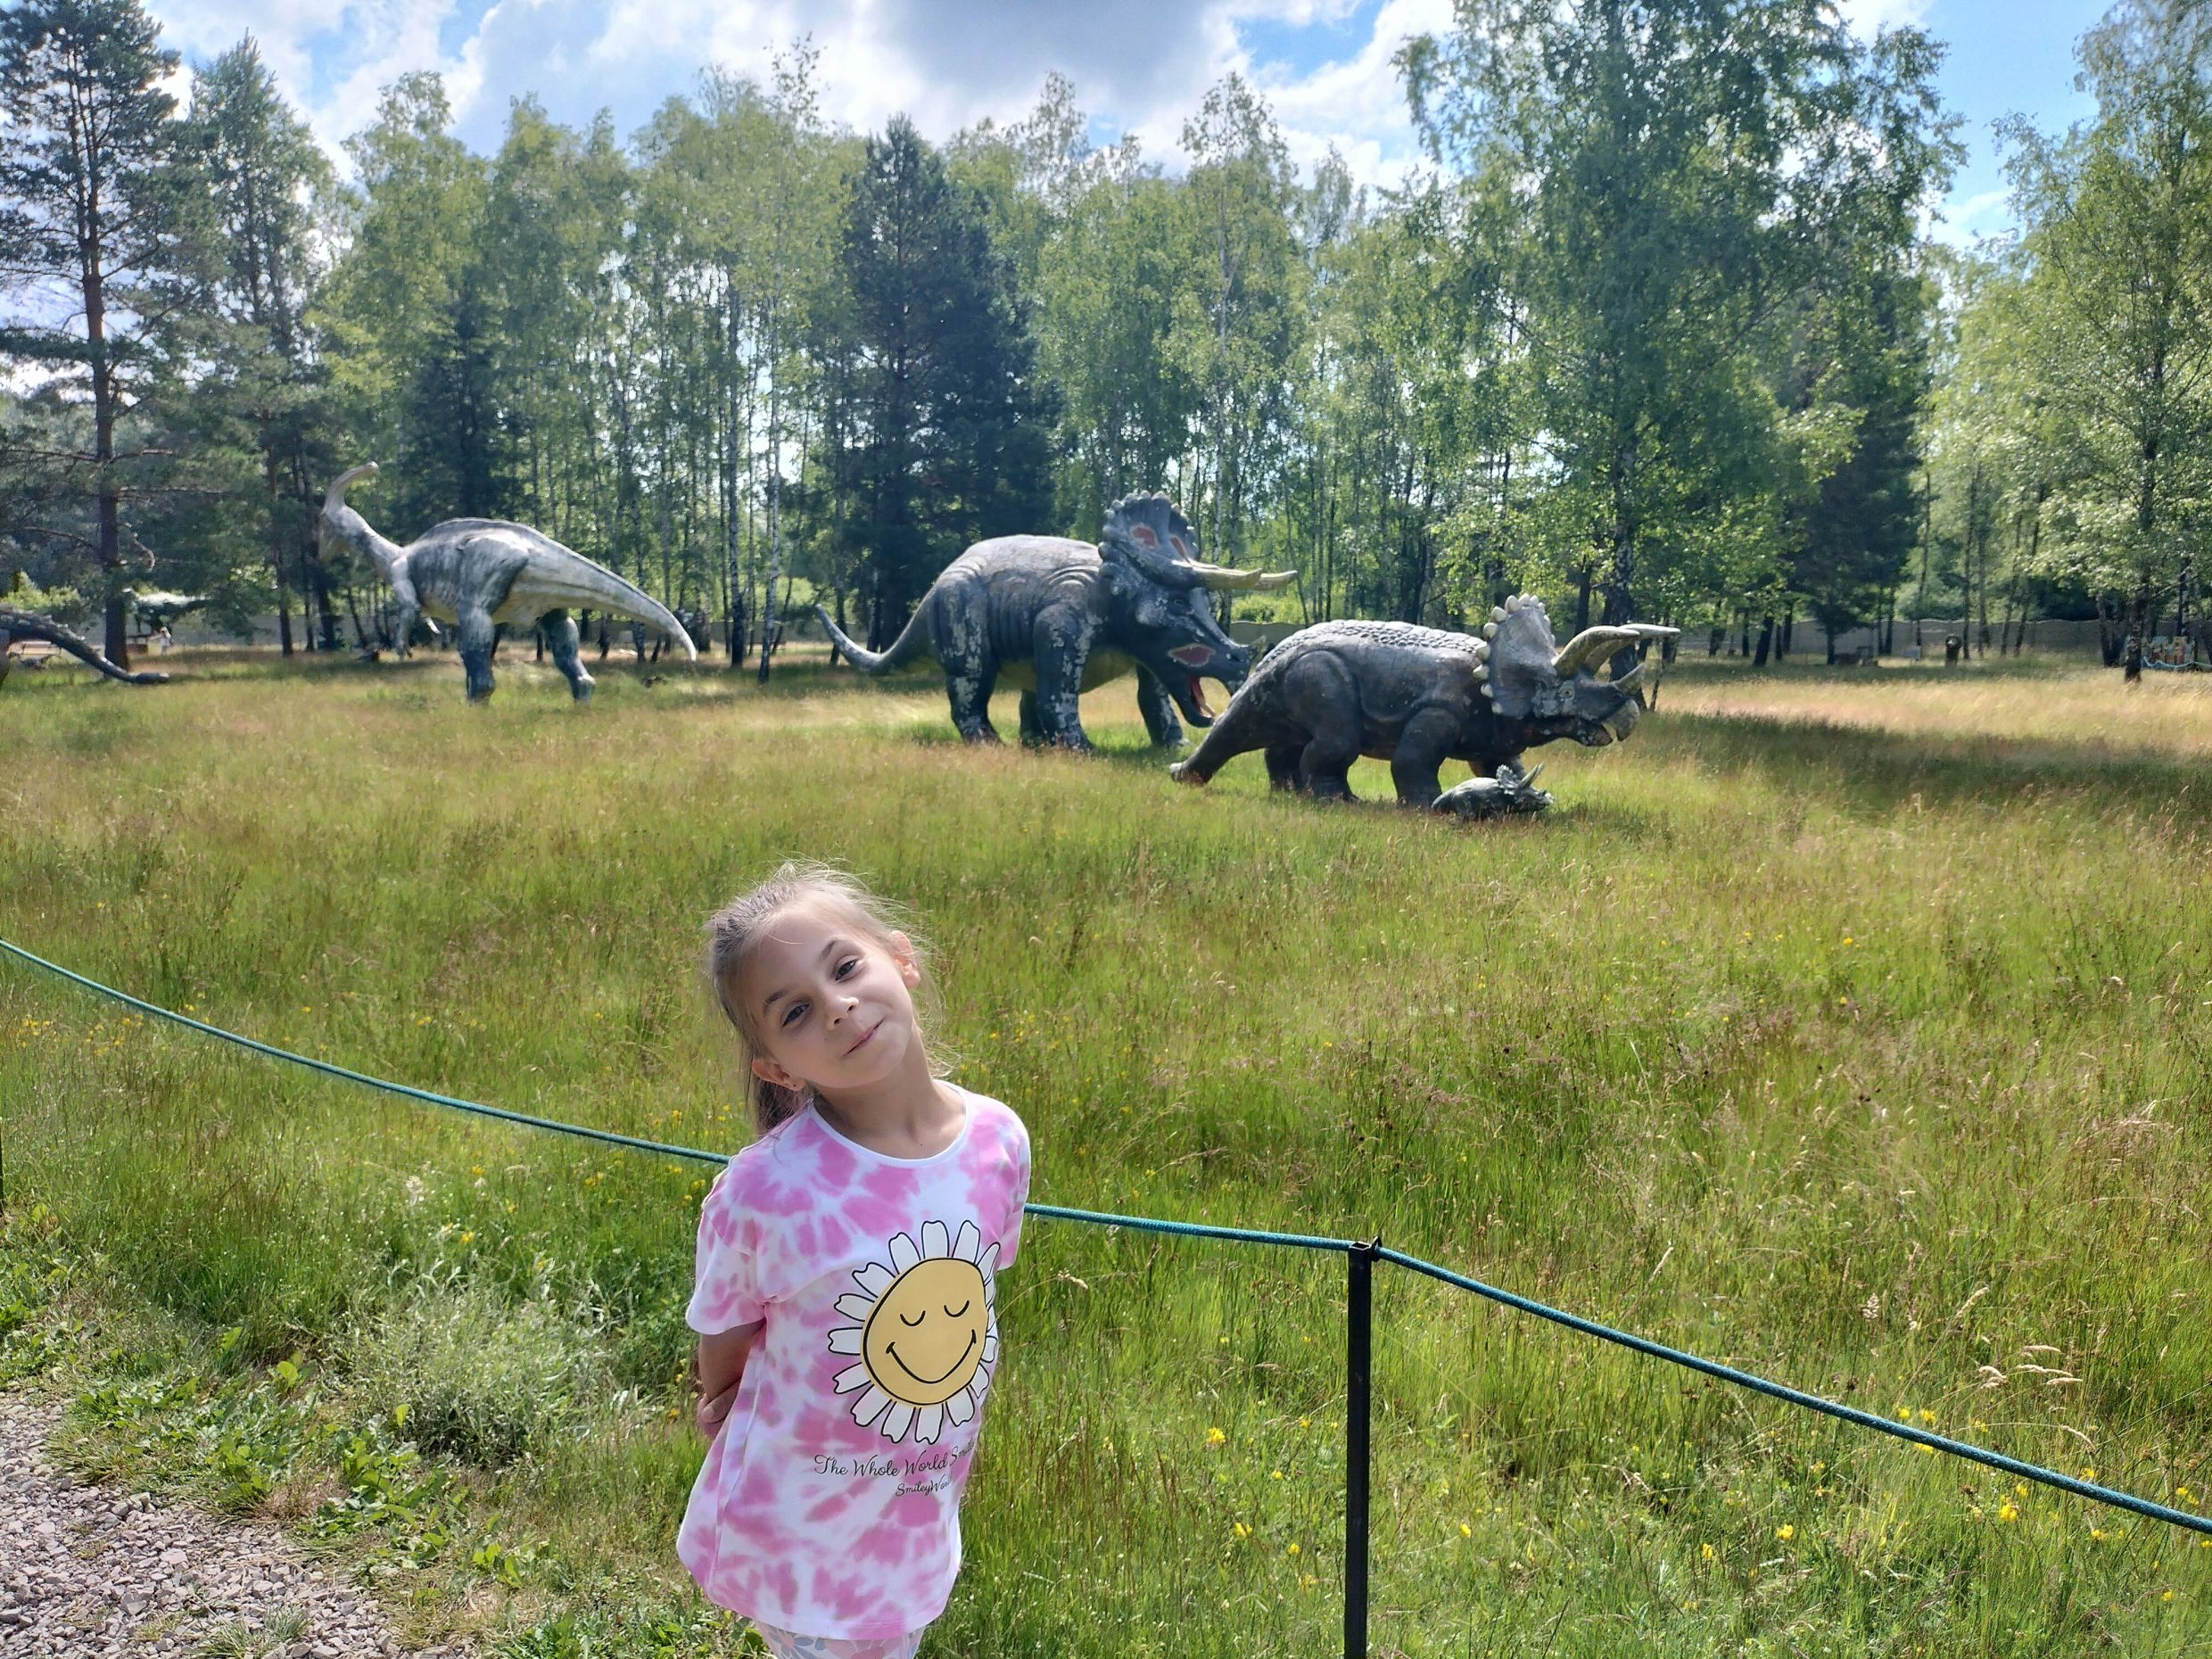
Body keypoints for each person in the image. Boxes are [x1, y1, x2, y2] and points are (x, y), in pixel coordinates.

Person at [684, 863, 1032, 1659]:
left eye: (845, 967)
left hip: (916, 1524)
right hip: (803, 1544)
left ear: (901, 960)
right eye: (796, 1012)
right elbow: (723, 1356)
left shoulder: (998, 1141)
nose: (837, 1006)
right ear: (777, 1067)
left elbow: (973, 1292)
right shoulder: (769, 1191)